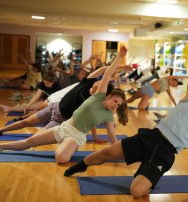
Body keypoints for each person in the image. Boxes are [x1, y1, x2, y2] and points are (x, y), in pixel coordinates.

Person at [63, 34, 188, 199]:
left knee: (136, 191)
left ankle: (148, 173)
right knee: (107, 153)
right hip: (151, 136)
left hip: (165, 153)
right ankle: (82, 165)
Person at [0, 46, 129, 163]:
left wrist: (116, 153)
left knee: (61, 158)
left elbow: (112, 136)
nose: (115, 106)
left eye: (118, 105)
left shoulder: (108, 116)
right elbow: (106, 73)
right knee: (29, 142)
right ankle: (2, 146)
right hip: (64, 126)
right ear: (109, 96)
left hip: (76, 135)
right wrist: (120, 58)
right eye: (115, 102)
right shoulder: (97, 96)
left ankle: (67, 146)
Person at [0, 66, 116, 143]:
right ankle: (2, 129)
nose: (99, 82)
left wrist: (95, 137)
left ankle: (10, 146)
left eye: (102, 83)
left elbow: (90, 121)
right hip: (53, 107)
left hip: (60, 119)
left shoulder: (94, 102)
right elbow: (102, 70)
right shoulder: (87, 82)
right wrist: (118, 66)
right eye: (100, 81)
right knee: (26, 122)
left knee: (35, 138)